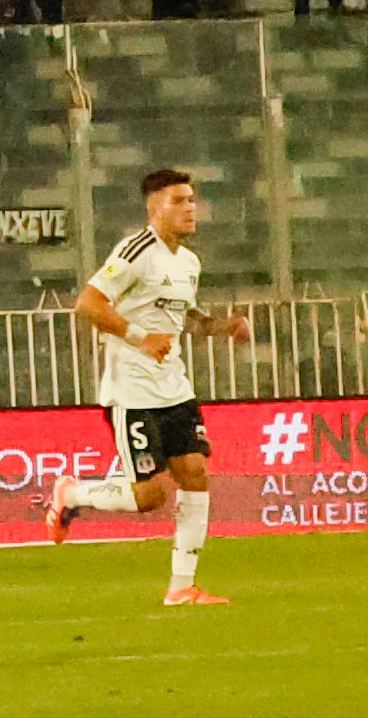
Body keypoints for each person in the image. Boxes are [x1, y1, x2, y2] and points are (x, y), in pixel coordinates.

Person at [47, 166, 253, 606]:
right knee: (151, 496)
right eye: (179, 201)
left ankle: (182, 586)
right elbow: (88, 303)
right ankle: (72, 493)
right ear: (154, 207)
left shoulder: (189, 262)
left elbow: (184, 318)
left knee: (195, 472)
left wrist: (221, 326)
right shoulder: (136, 250)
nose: (190, 208)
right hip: (132, 390)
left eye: (192, 200)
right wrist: (141, 338)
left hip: (173, 386)